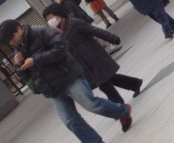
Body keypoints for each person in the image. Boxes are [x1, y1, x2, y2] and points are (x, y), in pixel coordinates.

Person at [0, 19, 132, 142]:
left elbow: (62, 48)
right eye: (8, 42)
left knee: (91, 105)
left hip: (69, 77)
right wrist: (18, 65)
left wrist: (35, 59)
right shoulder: (19, 50)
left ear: (19, 28)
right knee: (70, 121)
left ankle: (123, 111)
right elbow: (26, 75)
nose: (12, 43)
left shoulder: (41, 32)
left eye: (12, 38)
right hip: (51, 89)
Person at [42, 4, 143, 117]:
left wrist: (112, 38)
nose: (50, 21)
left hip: (93, 56)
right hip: (81, 63)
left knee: (103, 84)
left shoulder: (74, 23)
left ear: (59, 14)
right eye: (47, 19)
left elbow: (94, 30)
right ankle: (134, 84)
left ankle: (120, 108)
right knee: (108, 79)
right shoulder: (55, 33)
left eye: (51, 17)